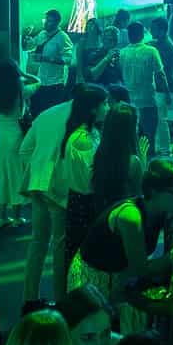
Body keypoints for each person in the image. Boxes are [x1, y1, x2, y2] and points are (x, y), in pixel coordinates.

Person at [69, 158, 173, 333]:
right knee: (103, 340)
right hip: (95, 280)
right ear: (154, 192)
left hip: (122, 276)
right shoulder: (131, 218)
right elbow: (140, 269)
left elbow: (167, 259)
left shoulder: (164, 210)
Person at [23, 84, 107, 309]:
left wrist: (38, 168)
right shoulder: (80, 122)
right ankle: (61, 301)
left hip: (37, 182)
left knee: (38, 242)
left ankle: (29, 299)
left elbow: (25, 149)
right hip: (60, 188)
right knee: (60, 245)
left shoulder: (47, 113)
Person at [64, 102, 146, 284]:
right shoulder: (133, 162)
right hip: (125, 228)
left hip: (102, 224)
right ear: (131, 129)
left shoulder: (100, 154)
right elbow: (142, 198)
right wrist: (143, 161)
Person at [0, 58, 32, 228]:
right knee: (16, 176)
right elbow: (39, 82)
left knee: (2, 176)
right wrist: (24, 73)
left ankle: (1, 218)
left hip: (0, 138)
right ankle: (16, 218)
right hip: (16, 136)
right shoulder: (20, 88)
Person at [117, 20, 170, 150]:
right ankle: (149, 160)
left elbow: (120, 76)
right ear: (142, 34)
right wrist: (167, 93)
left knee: (131, 139)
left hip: (129, 101)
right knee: (148, 138)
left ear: (129, 35)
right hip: (148, 100)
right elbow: (160, 75)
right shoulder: (151, 51)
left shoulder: (122, 53)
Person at [28, 7, 79, 90]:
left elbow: (68, 59)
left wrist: (47, 59)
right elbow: (30, 46)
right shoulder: (42, 34)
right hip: (41, 80)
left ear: (56, 23)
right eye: (46, 20)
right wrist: (27, 37)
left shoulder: (63, 37)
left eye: (49, 21)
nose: (45, 23)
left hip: (56, 82)